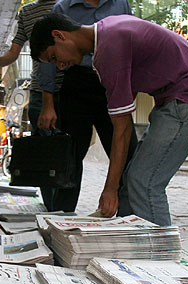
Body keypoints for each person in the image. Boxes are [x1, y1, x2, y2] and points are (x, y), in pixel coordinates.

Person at [30, 13, 188, 224]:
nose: (59, 65)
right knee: (132, 180)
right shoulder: (108, 30)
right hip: (173, 100)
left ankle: (160, 253)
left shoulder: (109, 50)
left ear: (59, 35)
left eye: (53, 57)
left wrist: (110, 190)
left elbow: (122, 130)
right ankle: (126, 240)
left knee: (144, 183)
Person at [37, 0, 139, 213]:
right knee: (70, 157)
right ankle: (62, 216)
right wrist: (48, 104)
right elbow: (49, 62)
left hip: (112, 81)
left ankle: (129, 214)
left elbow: (132, 43)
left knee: (128, 154)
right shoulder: (62, 8)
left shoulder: (120, 3)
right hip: (77, 84)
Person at [0, 0, 61, 210]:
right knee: (44, 156)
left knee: (68, 154)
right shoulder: (27, 11)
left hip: (69, 89)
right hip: (38, 91)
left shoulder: (68, 5)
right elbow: (13, 53)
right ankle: (53, 209)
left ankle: (65, 209)